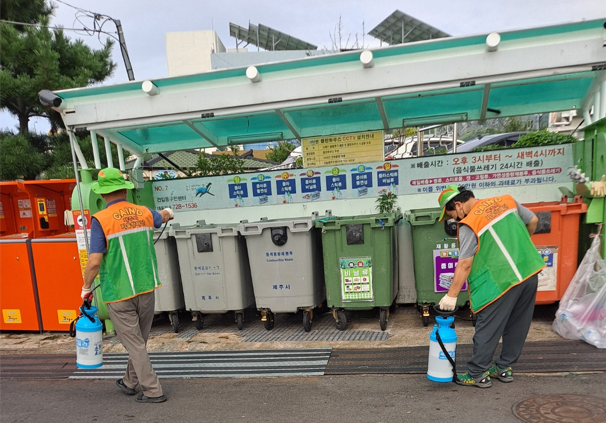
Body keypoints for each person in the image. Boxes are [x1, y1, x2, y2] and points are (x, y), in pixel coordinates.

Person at [437, 184, 545, 388]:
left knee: (488, 325)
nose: (454, 220)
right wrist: (519, 248)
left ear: (458, 205)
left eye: (451, 214)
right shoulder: (506, 201)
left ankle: (477, 373)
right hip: (528, 272)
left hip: (501, 281)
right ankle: (504, 368)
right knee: (517, 324)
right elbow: (533, 221)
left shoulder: (470, 222)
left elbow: (465, 263)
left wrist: (451, 296)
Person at [80, 168, 174, 403]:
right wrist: (168, 212)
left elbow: (94, 261)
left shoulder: (101, 220)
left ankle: (153, 390)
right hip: (146, 286)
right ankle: (130, 381)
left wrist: (85, 287)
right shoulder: (142, 212)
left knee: (134, 344)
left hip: (119, 292)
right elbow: (162, 217)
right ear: (124, 189)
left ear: (103, 194)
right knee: (139, 342)